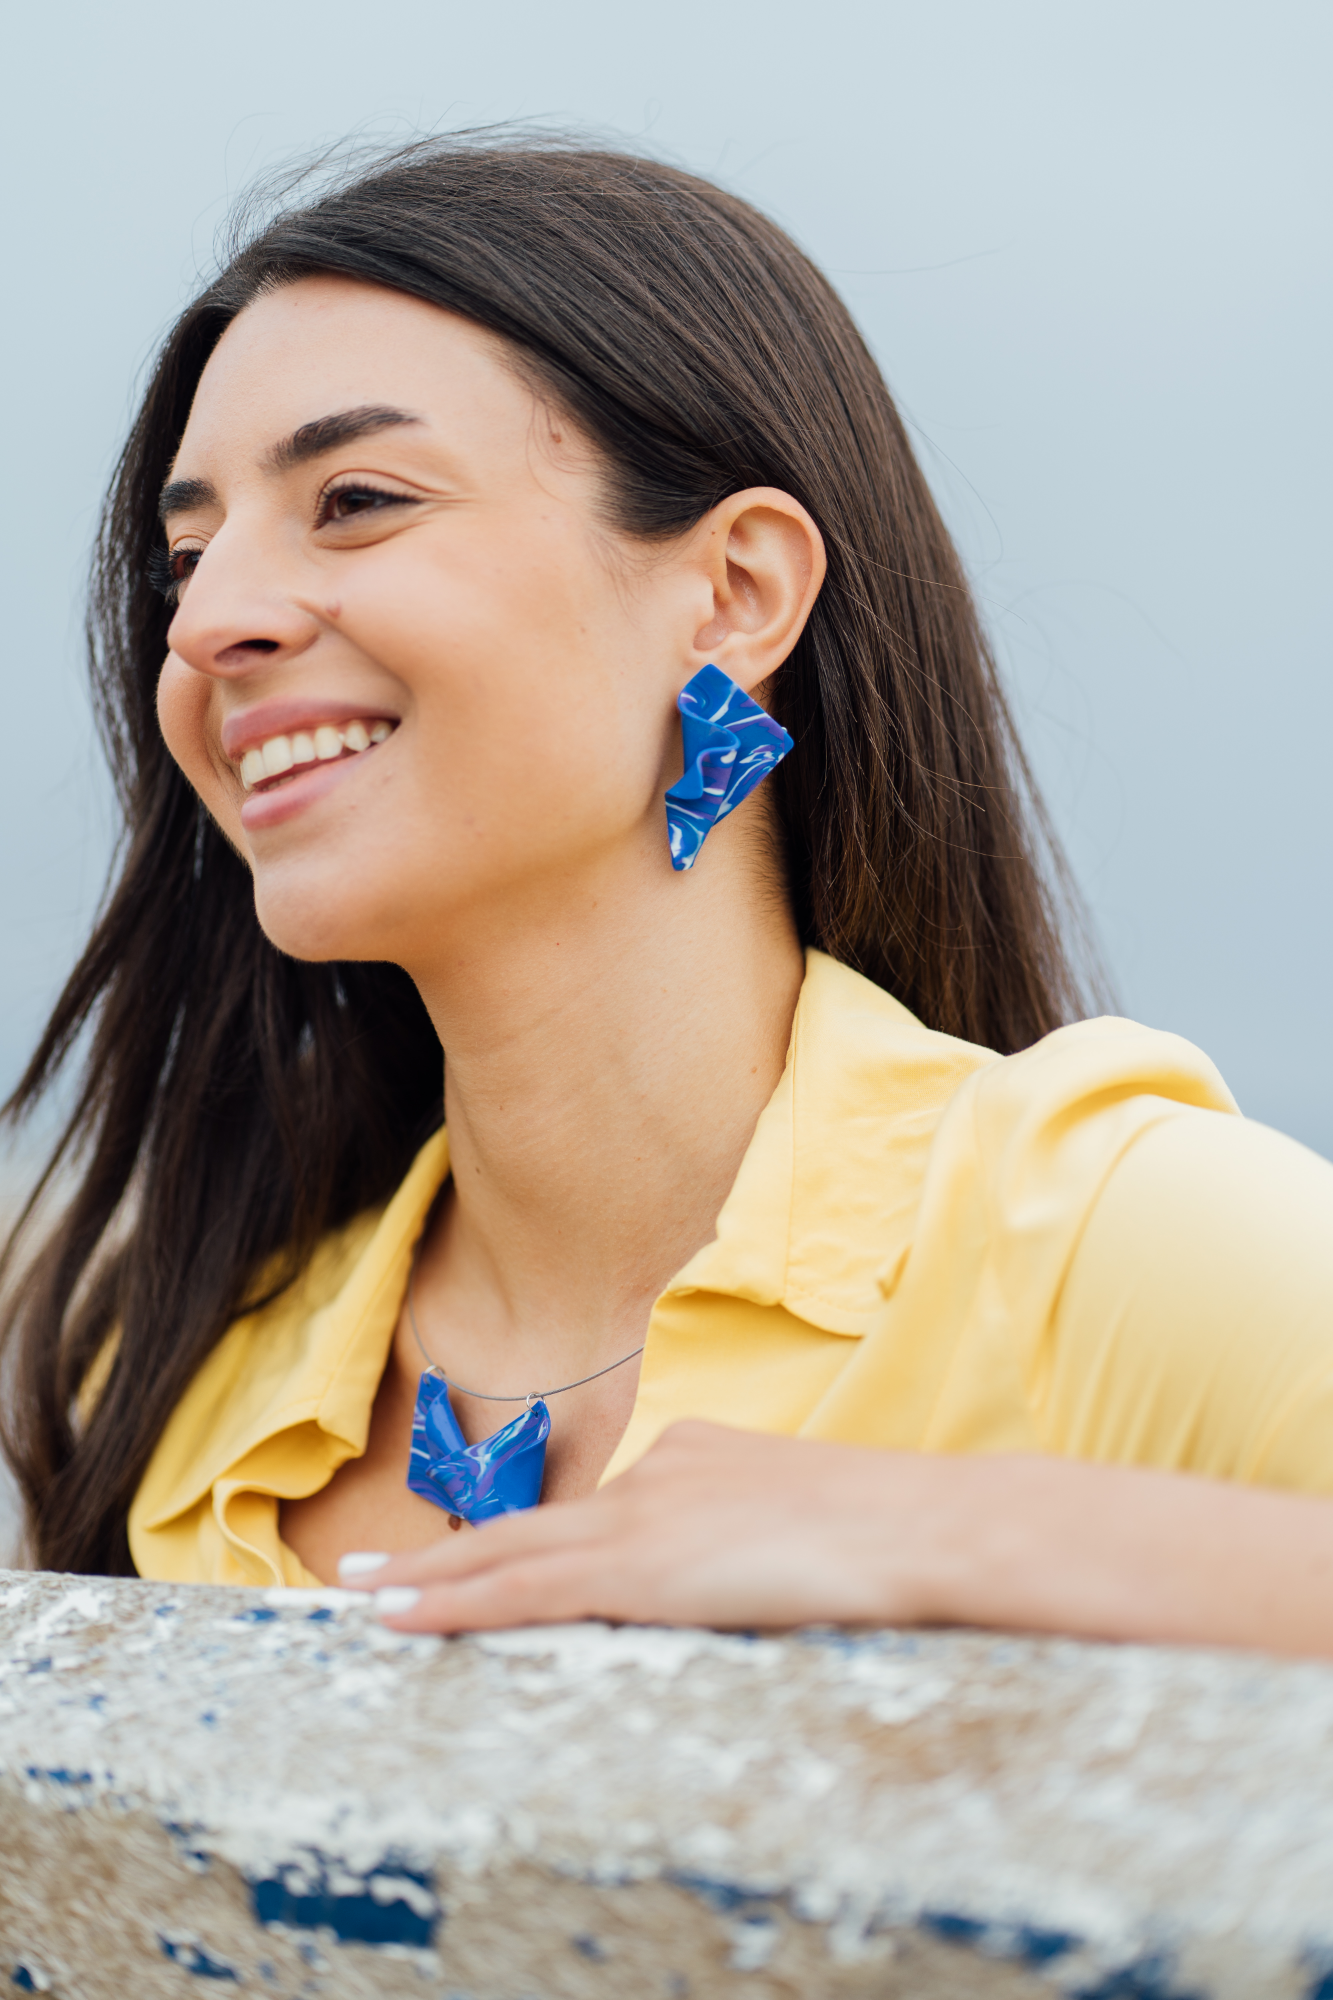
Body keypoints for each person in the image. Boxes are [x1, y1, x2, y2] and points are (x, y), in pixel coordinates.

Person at [5, 138, 1333, 1655]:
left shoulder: (1110, 1243)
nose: (212, 623)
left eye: (357, 498)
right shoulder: (182, 1381)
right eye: (186, 557)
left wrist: (952, 1533)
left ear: (735, 594)